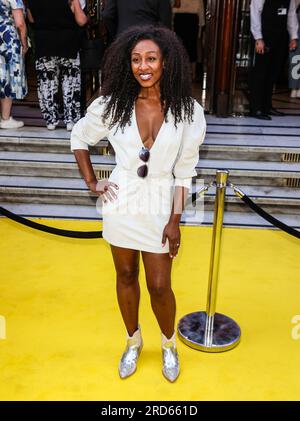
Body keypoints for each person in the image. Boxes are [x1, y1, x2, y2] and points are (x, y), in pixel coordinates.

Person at [70, 26, 206, 382]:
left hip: (161, 200)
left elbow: (184, 173)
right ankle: (133, 341)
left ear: (166, 62)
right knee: (126, 274)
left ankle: (168, 345)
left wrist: (175, 220)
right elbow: (79, 137)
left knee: (160, 285)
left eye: (150, 58)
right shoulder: (112, 105)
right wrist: (92, 182)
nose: (142, 66)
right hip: (122, 198)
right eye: (135, 59)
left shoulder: (188, 112)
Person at [26, 0, 88, 130]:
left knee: (46, 83)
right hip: (68, 43)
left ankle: (50, 120)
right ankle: (71, 120)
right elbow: (81, 20)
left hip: (44, 43)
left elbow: (31, 19)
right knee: (70, 83)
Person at [249, 0, 299, 120]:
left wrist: (293, 37)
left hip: (280, 37)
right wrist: (258, 38)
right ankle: (256, 109)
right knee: (260, 74)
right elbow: (255, 13)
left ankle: (267, 107)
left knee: (273, 74)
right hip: (264, 37)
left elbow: (291, 15)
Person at [0, 0, 28, 129]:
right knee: (6, 77)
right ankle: (5, 119)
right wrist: (24, 43)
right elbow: (20, 23)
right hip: (7, 39)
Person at [103, 0, 172, 39]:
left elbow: (107, 15)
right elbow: (165, 22)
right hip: (150, 40)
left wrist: (118, 34)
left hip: (123, 39)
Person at [173, 0, 205, 81]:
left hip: (180, 19)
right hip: (191, 20)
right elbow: (201, 14)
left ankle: (182, 73)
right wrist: (201, 26)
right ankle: (192, 73)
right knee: (191, 46)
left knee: (181, 46)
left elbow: (173, 10)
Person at [289, 0, 300, 97]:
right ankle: (294, 87)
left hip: (295, 18)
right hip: (296, 19)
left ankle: (297, 88)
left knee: (295, 56)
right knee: (295, 55)